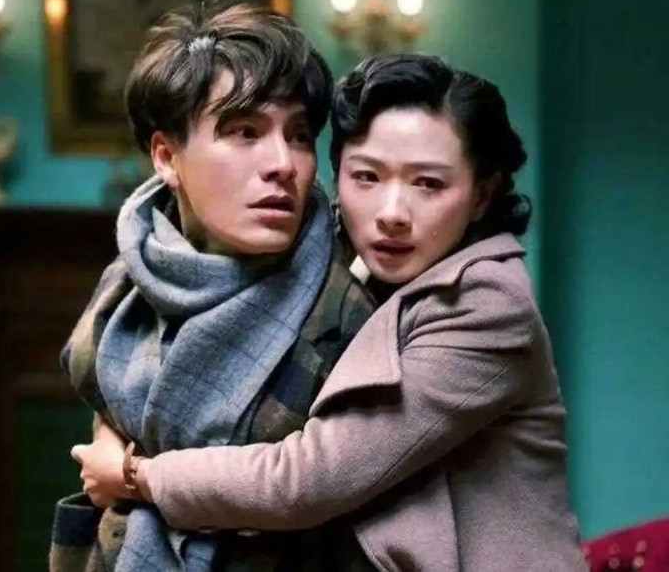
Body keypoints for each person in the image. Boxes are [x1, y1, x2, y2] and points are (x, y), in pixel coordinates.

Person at [76, 54, 588, 570]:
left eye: (428, 184)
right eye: (366, 177)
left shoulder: (487, 305)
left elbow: (309, 479)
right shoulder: (333, 258)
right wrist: (112, 430)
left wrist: (134, 475)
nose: (391, 213)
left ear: (482, 194)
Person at [49, 0, 376, 571]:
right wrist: (108, 438)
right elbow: (113, 403)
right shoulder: (126, 284)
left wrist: (130, 473)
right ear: (166, 156)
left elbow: (317, 492)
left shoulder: (352, 311)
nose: (283, 164)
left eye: (299, 135)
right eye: (244, 131)